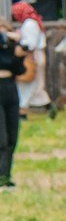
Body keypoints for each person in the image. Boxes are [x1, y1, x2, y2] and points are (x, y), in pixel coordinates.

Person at [0, 10, 25, 187]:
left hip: (10, 87)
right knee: (1, 138)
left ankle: (6, 176)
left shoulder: (10, 49)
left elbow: (20, 70)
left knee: (12, 136)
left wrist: (18, 56)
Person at [15, 0, 50, 120]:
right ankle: (46, 106)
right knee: (36, 84)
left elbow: (30, 44)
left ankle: (23, 110)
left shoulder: (29, 24)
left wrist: (18, 40)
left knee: (27, 83)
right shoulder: (32, 22)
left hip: (32, 57)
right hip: (36, 55)